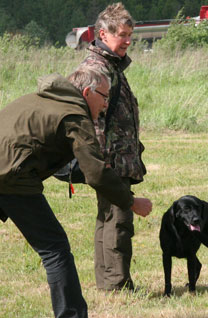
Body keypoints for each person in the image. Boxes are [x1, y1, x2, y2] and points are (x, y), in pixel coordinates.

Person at [0, 66, 152, 318]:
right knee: (55, 250)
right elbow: (96, 173)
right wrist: (131, 201)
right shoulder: (74, 113)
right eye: (104, 96)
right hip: (7, 175)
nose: (106, 103)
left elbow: (1, 144)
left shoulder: (38, 99)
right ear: (87, 92)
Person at [81, 2, 145, 292]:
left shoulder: (111, 66)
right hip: (109, 161)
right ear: (103, 34)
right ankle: (117, 285)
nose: (128, 41)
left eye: (130, 34)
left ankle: (109, 283)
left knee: (108, 218)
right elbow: (91, 122)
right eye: (122, 34)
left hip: (118, 160)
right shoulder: (97, 70)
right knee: (117, 221)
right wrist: (101, 163)